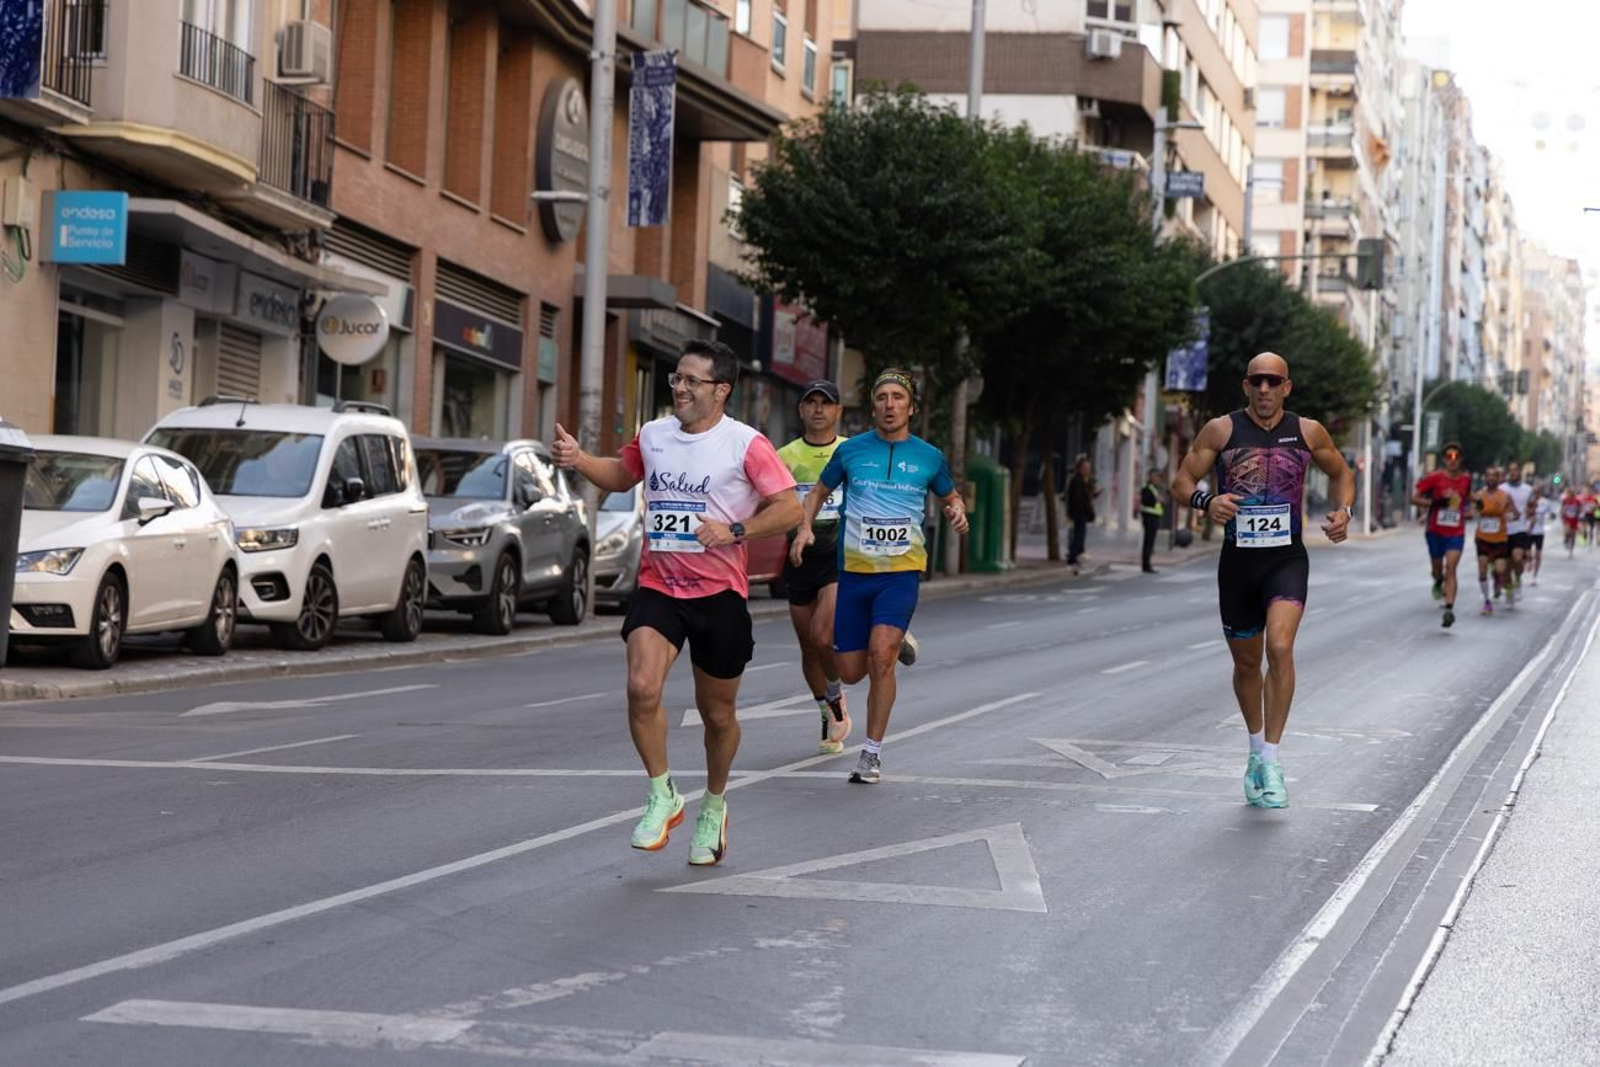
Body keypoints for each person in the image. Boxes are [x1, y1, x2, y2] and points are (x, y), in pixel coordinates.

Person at [551, 340, 801, 866]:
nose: (679, 388)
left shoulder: (746, 445)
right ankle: (662, 794)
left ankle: (714, 804)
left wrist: (735, 529)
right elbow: (622, 474)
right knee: (641, 687)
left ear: (721, 390)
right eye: (676, 379)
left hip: (719, 595)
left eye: (691, 381)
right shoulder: (654, 435)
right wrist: (579, 460)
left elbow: (789, 507)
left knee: (717, 716)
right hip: (660, 587)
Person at [1172, 353, 1354, 810]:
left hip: (1286, 560)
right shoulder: (1221, 430)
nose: (1266, 389)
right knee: (1248, 665)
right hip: (1237, 563)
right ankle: (1255, 753)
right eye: (1258, 381)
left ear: (1287, 387)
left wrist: (1343, 512)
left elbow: (1342, 472)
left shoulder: (1308, 431)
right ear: (1246, 385)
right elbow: (1181, 480)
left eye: (1274, 381)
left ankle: (1272, 760)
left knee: (1280, 647)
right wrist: (1205, 501)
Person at [791, 369, 968, 785]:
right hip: (854, 572)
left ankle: (870, 754)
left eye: (898, 398)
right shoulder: (851, 452)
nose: (890, 405)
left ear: (911, 408)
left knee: (880, 656)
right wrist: (804, 527)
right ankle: (888, 638)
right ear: (873, 406)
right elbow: (817, 491)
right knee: (851, 671)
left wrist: (956, 509)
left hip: (900, 573)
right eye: (882, 398)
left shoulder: (928, 456)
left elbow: (949, 494)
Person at [778, 380, 851, 755]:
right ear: (801, 410)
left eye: (827, 403)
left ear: (838, 411)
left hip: (837, 556)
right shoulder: (785, 456)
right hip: (799, 557)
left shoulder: (850, 452)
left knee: (824, 636)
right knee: (808, 646)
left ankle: (837, 696)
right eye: (812, 403)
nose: (819, 409)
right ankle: (826, 709)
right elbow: (772, 502)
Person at [1411, 442, 1470, 628]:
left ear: (1460, 460)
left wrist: (1474, 507)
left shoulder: (1466, 480)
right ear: (1444, 459)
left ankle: (1449, 609)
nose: (1452, 461)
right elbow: (1413, 498)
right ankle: (1438, 581)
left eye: (1456, 457)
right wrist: (1435, 503)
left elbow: (1468, 499)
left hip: (1456, 532)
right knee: (1438, 570)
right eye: (1448, 457)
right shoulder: (1434, 478)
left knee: (1451, 568)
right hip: (1435, 531)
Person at [1472, 465, 1513, 614]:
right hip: (1482, 537)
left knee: (1500, 569)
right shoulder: (1479, 495)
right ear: (1485, 478)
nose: (1491, 478)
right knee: (1482, 569)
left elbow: (1515, 513)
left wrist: (1510, 515)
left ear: (1498, 478)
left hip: (1500, 538)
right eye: (1488, 475)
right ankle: (1486, 601)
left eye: (1494, 476)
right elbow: (1472, 511)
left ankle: (1497, 577)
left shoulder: (1505, 496)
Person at [1065, 453, 1100, 573]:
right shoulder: (1077, 481)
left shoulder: (1085, 481)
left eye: (1089, 469)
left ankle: (1076, 556)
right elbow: (1079, 499)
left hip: (1082, 513)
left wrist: (1095, 493)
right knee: (1078, 535)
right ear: (1080, 468)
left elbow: (1087, 496)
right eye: (1085, 468)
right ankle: (1072, 557)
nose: (1087, 471)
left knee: (1080, 535)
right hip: (1079, 512)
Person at [1139, 468, 1167, 573]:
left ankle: (1147, 563)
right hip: (1149, 517)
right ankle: (1146, 565)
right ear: (1150, 477)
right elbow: (1145, 501)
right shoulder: (1147, 488)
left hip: (1155, 517)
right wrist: (1156, 500)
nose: (1157, 478)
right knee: (1148, 542)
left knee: (1151, 542)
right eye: (1155, 476)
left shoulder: (1155, 488)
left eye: (1158, 476)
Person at [1529, 486, 1557, 585]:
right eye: (1533, 493)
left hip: (1539, 532)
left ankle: (1534, 576)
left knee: (1538, 555)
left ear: (1540, 493)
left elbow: (1553, 514)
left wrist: (1552, 515)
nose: (1535, 495)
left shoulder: (1545, 502)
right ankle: (1529, 563)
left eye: (1537, 493)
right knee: (1528, 555)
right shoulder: (1527, 501)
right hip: (1528, 531)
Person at [1561, 484, 1582, 557]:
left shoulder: (1577, 501)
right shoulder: (1565, 500)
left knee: (1573, 535)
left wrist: (1579, 513)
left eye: (1572, 493)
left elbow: (1580, 509)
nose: (1570, 495)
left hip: (1574, 519)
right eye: (1569, 493)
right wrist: (1561, 515)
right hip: (1567, 518)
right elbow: (1562, 508)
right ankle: (1566, 540)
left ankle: (1571, 550)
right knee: (1567, 531)